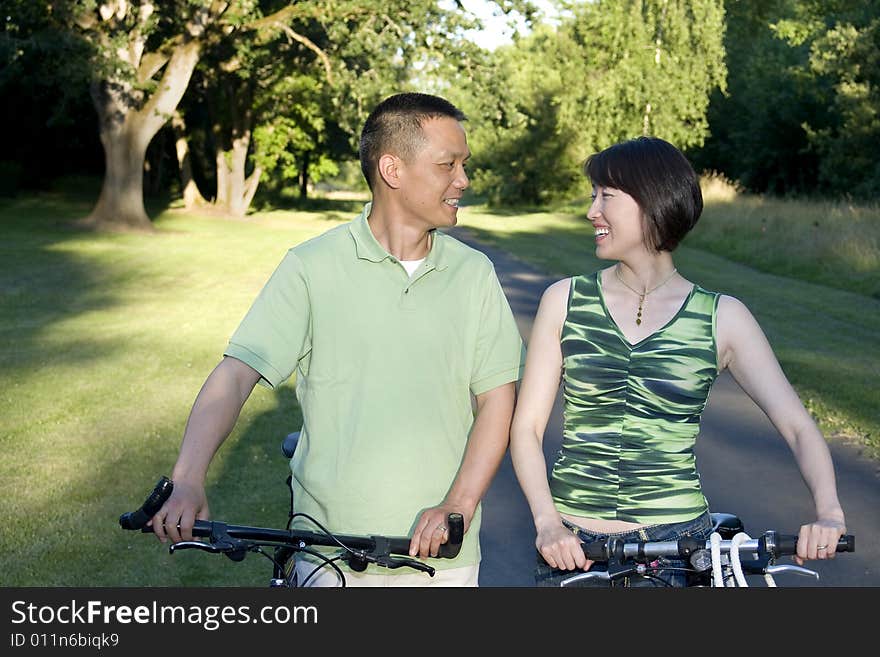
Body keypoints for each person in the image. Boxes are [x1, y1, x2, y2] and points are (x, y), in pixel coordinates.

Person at [149, 92, 525, 587]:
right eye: (447, 165)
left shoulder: (474, 274)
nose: (463, 179)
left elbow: (496, 401)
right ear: (393, 169)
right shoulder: (311, 267)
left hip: (444, 559)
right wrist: (189, 475)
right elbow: (237, 374)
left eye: (463, 164)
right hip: (329, 555)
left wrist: (459, 502)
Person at [509, 136, 847, 587]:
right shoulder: (564, 301)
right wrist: (547, 522)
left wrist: (829, 513)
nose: (592, 211)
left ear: (652, 202)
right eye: (593, 196)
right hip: (574, 549)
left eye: (606, 196)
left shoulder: (722, 318)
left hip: (679, 549)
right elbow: (526, 429)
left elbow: (798, 427)